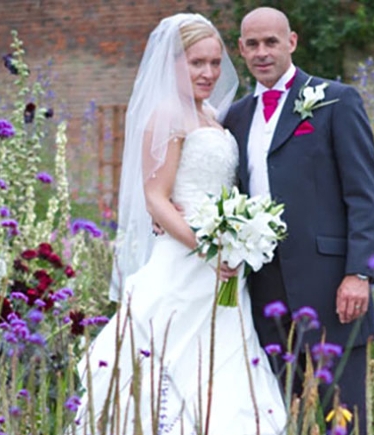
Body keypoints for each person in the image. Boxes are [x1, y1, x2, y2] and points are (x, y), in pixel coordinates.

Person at [75, 13, 286, 435]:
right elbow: (155, 197)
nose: (208, 73)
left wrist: (236, 240)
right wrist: (210, 249)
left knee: (225, 363)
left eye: (213, 63)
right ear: (174, 63)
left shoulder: (212, 115)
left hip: (224, 268)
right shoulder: (168, 114)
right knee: (166, 364)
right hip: (186, 262)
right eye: (196, 63)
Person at [222, 7, 374, 434]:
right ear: (240, 49)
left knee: (344, 412)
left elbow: (363, 195)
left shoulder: (336, 100)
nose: (261, 52)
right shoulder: (235, 116)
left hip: (331, 282)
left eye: (271, 42)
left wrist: (358, 273)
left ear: (291, 42)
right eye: (252, 44)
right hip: (263, 288)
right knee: (280, 409)